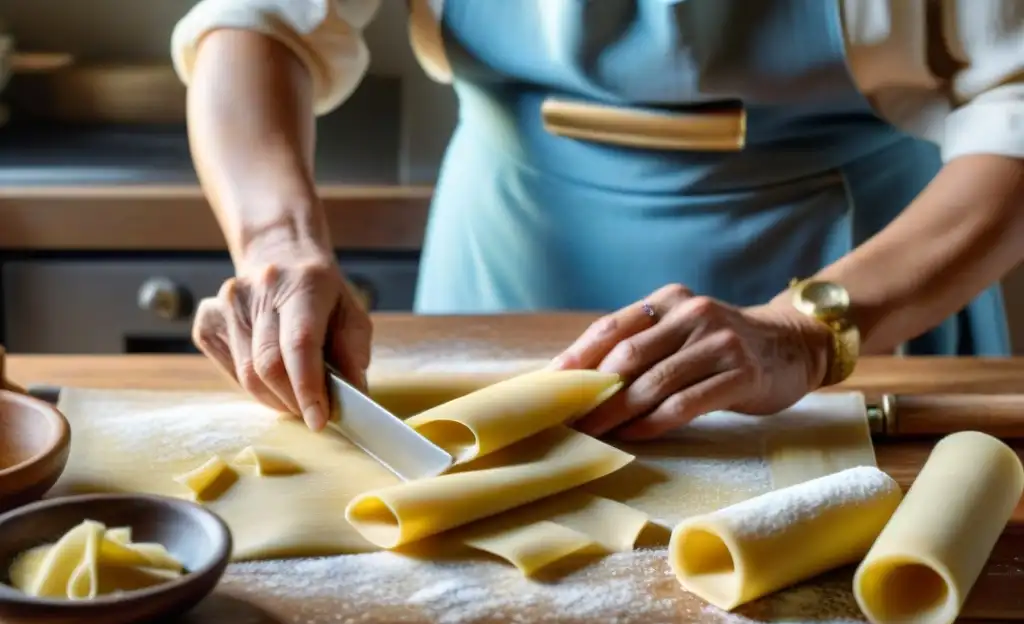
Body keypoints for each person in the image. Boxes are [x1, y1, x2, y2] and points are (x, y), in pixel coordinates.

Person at [171, 0, 1024, 441]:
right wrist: (276, 243)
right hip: (504, 256)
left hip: (857, 277)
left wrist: (806, 333)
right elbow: (258, 25)